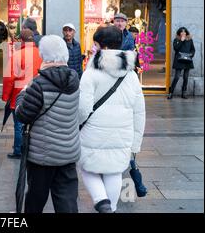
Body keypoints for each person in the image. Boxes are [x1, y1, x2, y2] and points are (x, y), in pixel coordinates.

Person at [78, 25, 145, 213]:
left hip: (93, 132)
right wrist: (136, 141)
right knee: (115, 171)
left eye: (96, 45)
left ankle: (101, 201)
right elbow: (139, 110)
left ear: (104, 48)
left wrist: (77, 125)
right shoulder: (131, 75)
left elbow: (82, 108)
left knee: (88, 168)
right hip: (122, 133)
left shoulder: (91, 72)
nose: (93, 49)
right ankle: (111, 208)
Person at [15, 35, 80, 213]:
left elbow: (22, 115)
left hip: (42, 155)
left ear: (44, 56)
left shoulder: (38, 84)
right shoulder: (74, 81)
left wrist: (23, 93)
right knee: (67, 200)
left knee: (36, 199)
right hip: (68, 152)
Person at [2, 29, 42, 159]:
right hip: (37, 93)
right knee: (35, 124)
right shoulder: (41, 54)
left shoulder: (18, 55)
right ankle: (33, 149)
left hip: (19, 95)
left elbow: (9, 78)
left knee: (19, 125)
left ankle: (18, 150)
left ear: (22, 40)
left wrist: (6, 96)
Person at [167, 27, 195, 99]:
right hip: (179, 61)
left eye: (184, 32)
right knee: (176, 77)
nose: (183, 33)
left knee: (186, 77)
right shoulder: (176, 40)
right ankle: (171, 92)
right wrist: (181, 41)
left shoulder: (190, 40)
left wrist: (191, 55)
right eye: (181, 32)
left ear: (186, 33)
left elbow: (193, 49)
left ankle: (183, 93)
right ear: (179, 33)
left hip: (187, 61)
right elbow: (176, 48)